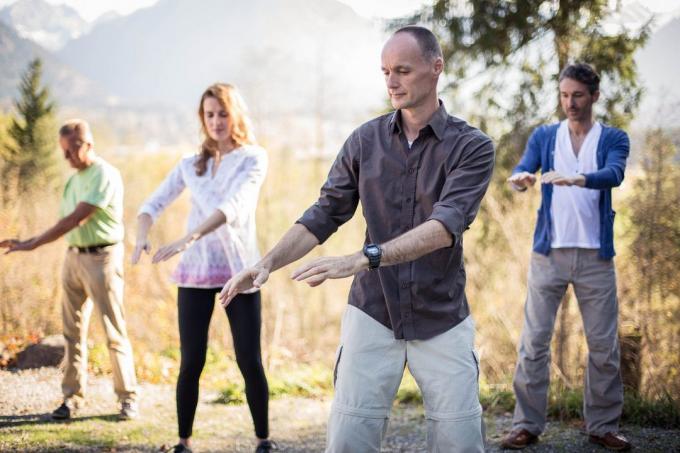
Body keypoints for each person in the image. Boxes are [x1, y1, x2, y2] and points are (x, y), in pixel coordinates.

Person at [220, 26, 495, 452]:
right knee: (348, 441)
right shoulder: (364, 141)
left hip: (442, 315)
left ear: (436, 68)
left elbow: (444, 227)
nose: (392, 81)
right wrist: (267, 263)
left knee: (460, 442)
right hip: (373, 312)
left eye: (402, 70)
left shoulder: (472, 147)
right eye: (385, 71)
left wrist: (362, 258)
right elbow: (324, 213)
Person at [133, 83, 274, 453]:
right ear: (202, 119)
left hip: (239, 271)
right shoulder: (188, 165)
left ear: (236, 115)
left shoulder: (253, 158)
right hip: (195, 274)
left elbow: (235, 206)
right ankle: (183, 442)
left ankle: (263, 440)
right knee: (191, 360)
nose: (216, 121)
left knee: (248, 358)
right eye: (209, 115)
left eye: (223, 113)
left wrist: (189, 237)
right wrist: (141, 233)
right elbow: (153, 202)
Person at [502, 63, 631, 451]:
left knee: (604, 347)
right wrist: (522, 179)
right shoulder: (546, 136)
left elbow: (615, 173)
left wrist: (578, 178)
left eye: (577, 95)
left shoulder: (613, 138)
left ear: (594, 95)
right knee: (534, 342)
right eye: (563, 95)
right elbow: (524, 168)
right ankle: (526, 424)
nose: (570, 103)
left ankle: (603, 425)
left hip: (595, 257)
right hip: (549, 255)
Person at [1, 119, 139, 420]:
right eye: (63, 151)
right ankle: (71, 398)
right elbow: (64, 224)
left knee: (114, 331)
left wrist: (31, 244)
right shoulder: (74, 179)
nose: (67, 157)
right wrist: (29, 240)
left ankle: (128, 398)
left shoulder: (104, 174)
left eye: (72, 149)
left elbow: (74, 219)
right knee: (72, 333)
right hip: (73, 257)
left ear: (87, 143)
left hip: (102, 259)